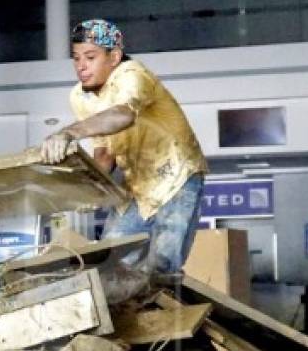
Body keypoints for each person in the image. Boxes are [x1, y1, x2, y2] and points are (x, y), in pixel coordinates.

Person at [41, 19, 206, 274]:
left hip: (177, 176)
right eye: (76, 58)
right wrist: (90, 189)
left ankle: (169, 312)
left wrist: (69, 133)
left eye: (90, 57)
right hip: (136, 186)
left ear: (114, 56)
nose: (81, 67)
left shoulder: (133, 76)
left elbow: (123, 115)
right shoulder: (80, 97)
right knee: (111, 262)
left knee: (163, 263)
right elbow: (104, 153)